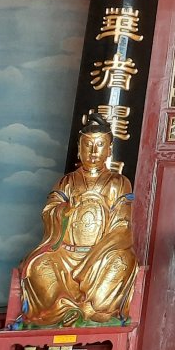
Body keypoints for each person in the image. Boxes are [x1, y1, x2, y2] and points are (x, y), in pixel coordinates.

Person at [19, 114, 137, 326]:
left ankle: (91, 308)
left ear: (109, 150)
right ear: (79, 148)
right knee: (37, 266)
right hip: (65, 253)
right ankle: (61, 307)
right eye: (88, 145)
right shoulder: (67, 182)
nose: (93, 152)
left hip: (100, 257)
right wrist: (63, 211)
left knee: (123, 262)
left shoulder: (119, 183)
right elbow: (49, 210)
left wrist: (93, 258)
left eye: (100, 145)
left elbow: (123, 227)